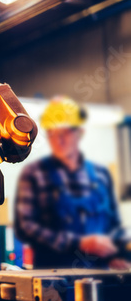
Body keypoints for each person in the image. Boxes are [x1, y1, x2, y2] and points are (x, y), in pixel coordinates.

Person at [14, 96, 130, 269]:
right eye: (52, 133)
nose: (58, 140)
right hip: (55, 279)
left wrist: (119, 253)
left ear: (80, 132)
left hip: (100, 278)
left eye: (65, 132)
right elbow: (25, 227)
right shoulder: (35, 174)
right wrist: (78, 243)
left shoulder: (101, 175)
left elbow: (113, 225)